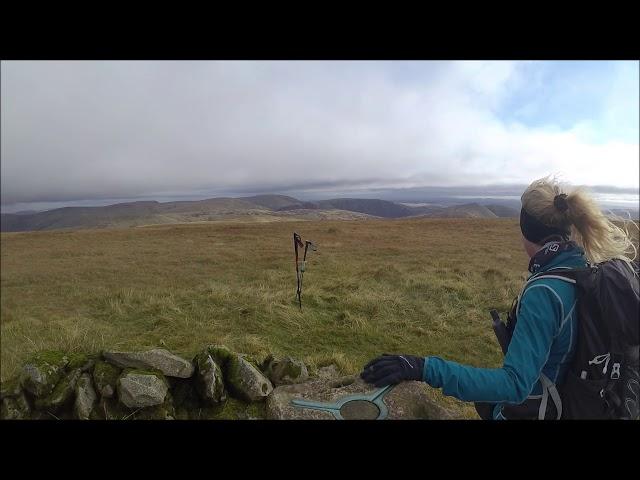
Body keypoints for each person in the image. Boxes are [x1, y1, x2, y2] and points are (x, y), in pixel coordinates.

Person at [360, 176, 638, 419]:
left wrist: (423, 367)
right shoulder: (585, 269)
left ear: (526, 230)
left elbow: (514, 385)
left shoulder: (545, 292)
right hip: (589, 403)